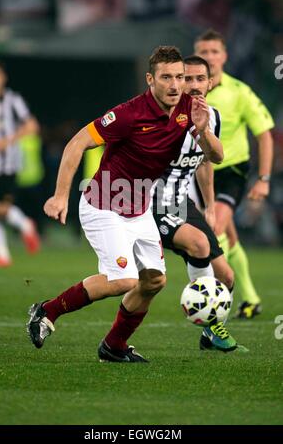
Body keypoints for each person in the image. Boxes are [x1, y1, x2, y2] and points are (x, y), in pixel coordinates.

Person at [27, 46, 223, 363]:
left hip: (138, 208)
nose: (175, 85)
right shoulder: (129, 114)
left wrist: (203, 131)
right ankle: (46, 311)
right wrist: (60, 195)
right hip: (103, 206)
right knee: (124, 281)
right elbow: (77, 142)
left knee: (154, 281)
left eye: (180, 77)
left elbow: (215, 156)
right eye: (166, 77)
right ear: (150, 79)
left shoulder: (190, 109)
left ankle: (114, 347)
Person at [152, 55, 236, 351]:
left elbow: (208, 160)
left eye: (201, 79)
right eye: (188, 78)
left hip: (183, 203)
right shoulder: (164, 114)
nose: (195, 85)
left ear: (210, 83)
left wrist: (209, 206)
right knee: (145, 278)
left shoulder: (212, 116)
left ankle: (209, 335)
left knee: (226, 275)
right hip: (152, 202)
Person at [193, 29, 274, 318]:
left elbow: (265, 134)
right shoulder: (185, 93)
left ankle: (215, 304)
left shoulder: (240, 92)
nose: (209, 56)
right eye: (203, 51)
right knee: (229, 235)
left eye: (215, 51)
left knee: (214, 230)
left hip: (232, 171)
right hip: (198, 171)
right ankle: (251, 299)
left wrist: (263, 180)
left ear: (225, 56)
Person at [0, 59, 41, 267]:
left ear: (3, 78)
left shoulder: (12, 101)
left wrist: (6, 141)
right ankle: (2, 255)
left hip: (6, 164)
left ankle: (26, 225)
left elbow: (32, 125)